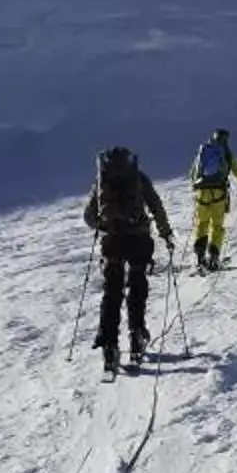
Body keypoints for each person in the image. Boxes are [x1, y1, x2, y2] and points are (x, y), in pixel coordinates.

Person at [82, 146, 172, 373]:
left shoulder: (102, 179)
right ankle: (137, 334)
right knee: (137, 286)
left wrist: (103, 226)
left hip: (112, 241)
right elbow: (156, 206)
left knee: (112, 291)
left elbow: (89, 216)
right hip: (139, 239)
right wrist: (166, 233)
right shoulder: (139, 178)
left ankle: (110, 345)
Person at [188, 129, 237, 272]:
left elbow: (192, 174)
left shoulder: (203, 151)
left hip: (201, 193)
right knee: (217, 226)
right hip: (219, 193)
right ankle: (214, 258)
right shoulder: (226, 152)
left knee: (201, 224)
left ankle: (200, 259)